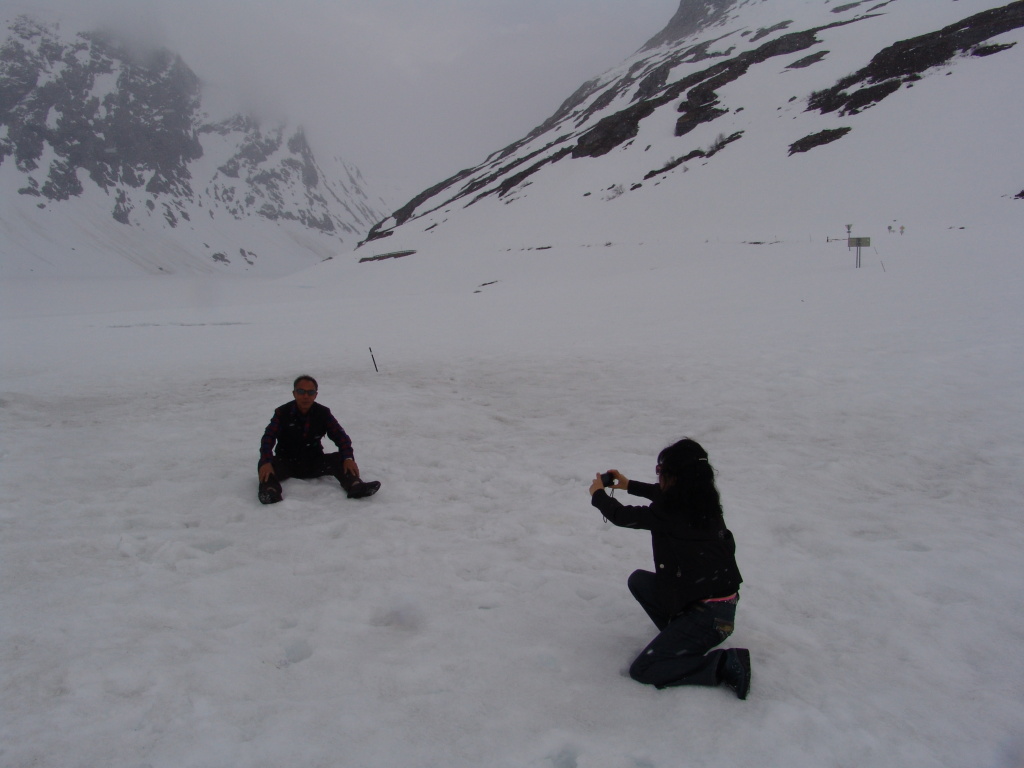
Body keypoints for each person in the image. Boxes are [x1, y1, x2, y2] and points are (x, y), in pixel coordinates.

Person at [589, 438, 751, 698]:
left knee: (645, 669)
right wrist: (629, 485)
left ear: (676, 477)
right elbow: (666, 497)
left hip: (709, 617)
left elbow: (623, 516)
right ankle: (680, 638)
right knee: (640, 581)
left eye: (660, 472)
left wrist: (598, 494)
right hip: (715, 606)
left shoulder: (673, 513)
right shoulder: (702, 503)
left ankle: (723, 664)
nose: (659, 476)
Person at [258, 375, 380, 504]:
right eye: (301, 391)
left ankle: (355, 485)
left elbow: (341, 437)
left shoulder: (323, 413)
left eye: (310, 392)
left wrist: (348, 458)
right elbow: (268, 437)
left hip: (314, 462)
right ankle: (270, 491)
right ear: (294, 393)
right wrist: (266, 460)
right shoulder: (282, 412)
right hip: (286, 463)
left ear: (315, 395)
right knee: (264, 464)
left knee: (341, 458)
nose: (306, 396)